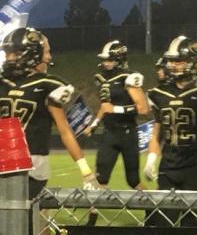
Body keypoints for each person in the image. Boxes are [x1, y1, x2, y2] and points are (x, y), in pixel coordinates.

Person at [0, 27, 99, 235]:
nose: (9, 58)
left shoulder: (47, 85)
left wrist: (86, 170)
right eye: (47, 51)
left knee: (26, 222)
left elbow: (64, 130)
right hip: (4, 163)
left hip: (31, 166)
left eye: (13, 53)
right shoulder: (4, 83)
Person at [143, 35, 197, 227]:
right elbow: (158, 130)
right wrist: (151, 158)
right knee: (161, 222)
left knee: (193, 224)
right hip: (168, 166)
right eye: (171, 61)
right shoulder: (158, 94)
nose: (173, 65)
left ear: (194, 61)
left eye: (179, 61)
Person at [84, 40, 149, 226]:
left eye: (109, 60)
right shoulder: (102, 79)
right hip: (110, 134)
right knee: (100, 179)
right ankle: (91, 220)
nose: (105, 63)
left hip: (128, 134)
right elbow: (105, 108)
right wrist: (94, 124)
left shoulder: (129, 78)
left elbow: (143, 109)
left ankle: (151, 211)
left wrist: (117, 109)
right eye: (104, 60)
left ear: (119, 59)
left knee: (133, 181)